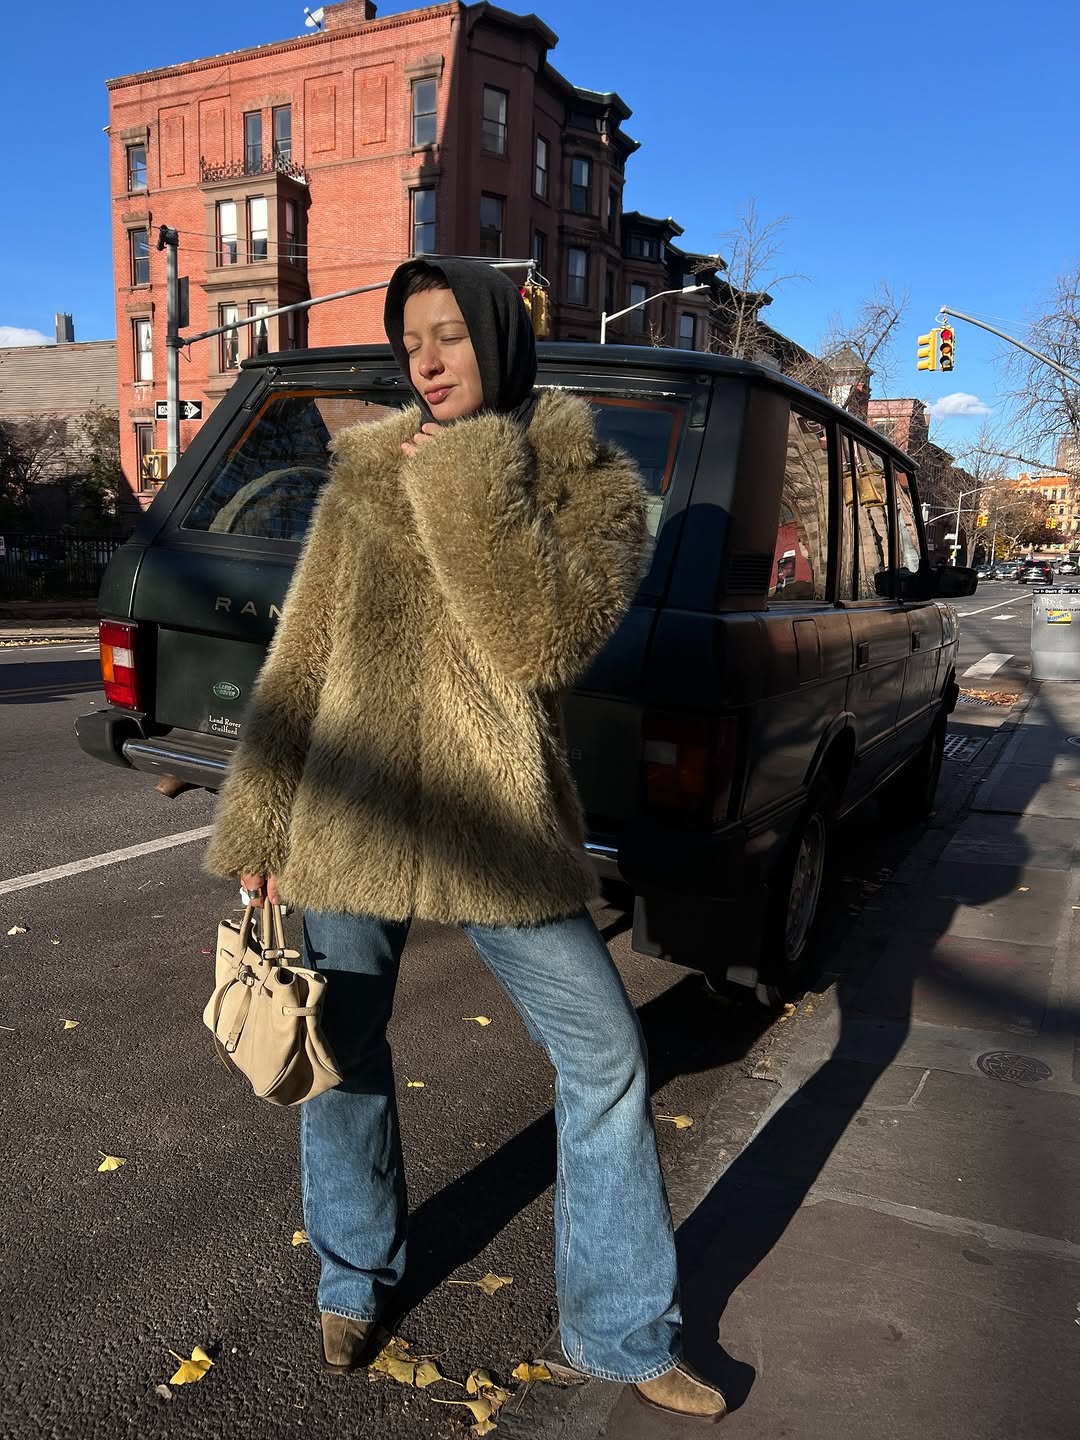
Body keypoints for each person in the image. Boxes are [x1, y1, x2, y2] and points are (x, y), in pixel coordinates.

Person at [205, 257, 726, 1423]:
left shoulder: (583, 479)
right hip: (356, 802)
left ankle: (623, 1330)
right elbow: (304, 654)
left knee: (605, 1060)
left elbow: (539, 639)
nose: (427, 362)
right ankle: (354, 1280)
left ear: (499, 335)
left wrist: (465, 476)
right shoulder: (362, 477)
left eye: (449, 335)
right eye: (411, 340)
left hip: (498, 825)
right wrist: (265, 816)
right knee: (340, 1049)